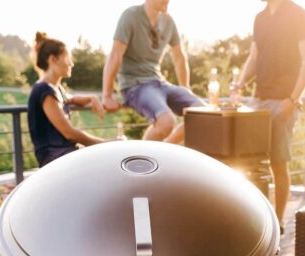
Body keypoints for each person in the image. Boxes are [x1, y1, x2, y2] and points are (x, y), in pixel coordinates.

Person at [232, 0, 305, 230]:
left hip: (284, 102)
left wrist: (293, 99)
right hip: (258, 99)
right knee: (252, 163)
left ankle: (277, 222)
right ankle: (257, 220)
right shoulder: (260, 18)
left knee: (278, 164)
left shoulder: (299, 14)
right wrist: (239, 84)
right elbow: (254, 57)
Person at [102, 0, 205, 144]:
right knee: (167, 122)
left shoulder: (168, 21)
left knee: (205, 114)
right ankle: (146, 154)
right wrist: (107, 95)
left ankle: (163, 150)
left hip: (160, 82)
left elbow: (179, 56)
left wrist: (185, 88)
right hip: (136, 85)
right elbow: (115, 55)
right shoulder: (130, 16)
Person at [28, 33, 105, 167]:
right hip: (54, 158)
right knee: (104, 161)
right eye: (67, 57)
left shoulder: (55, 89)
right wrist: (104, 144)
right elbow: (69, 133)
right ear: (52, 59)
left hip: (63, 153)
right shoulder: (44, 91)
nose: (72, 63)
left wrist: (92, 98)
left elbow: (71, 99)